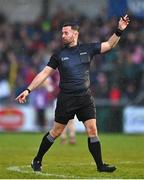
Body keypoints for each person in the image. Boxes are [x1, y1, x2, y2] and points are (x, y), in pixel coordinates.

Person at [16, 14, 130, 173]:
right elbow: (44, 74)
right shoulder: (58, 55)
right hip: (66, 98)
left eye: (66, 32)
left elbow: (109, 45)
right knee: (56, 132)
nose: (63, 35)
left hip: (85, 97)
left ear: (76, 34)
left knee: (92, 130)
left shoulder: (88, 49)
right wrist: (28, 90)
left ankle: (100, 166)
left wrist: (119, 30)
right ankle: (37, 159)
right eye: (62, 33)